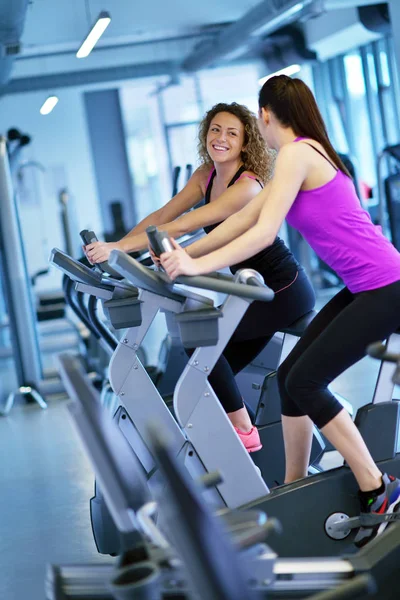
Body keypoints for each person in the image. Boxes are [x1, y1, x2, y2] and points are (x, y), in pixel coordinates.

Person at [160, 75, 400, 547]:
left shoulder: (296, 154)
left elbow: (264, 233)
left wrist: (195, 262)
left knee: (306, 382)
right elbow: (243, 219)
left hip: (386, 287)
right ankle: (294, 488)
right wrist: (185, 256)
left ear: (267, 115)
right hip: (367, 286)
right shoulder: (301, 155)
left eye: (258, 120)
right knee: (291, 376)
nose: (259, 130)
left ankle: (378, 487)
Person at [85, 102, 315, 452]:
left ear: (245, 142)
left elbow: (183, 224)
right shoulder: (205, 175)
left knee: (200, 340)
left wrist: (117, 247)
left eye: (232, 133)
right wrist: (118, 251)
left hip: (282, 290)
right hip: (250, 290)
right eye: (215, 130)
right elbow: (163, 215)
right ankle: (221, 444)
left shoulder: (248, 186)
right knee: (201, 371)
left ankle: (244, 430)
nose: (221, 138)